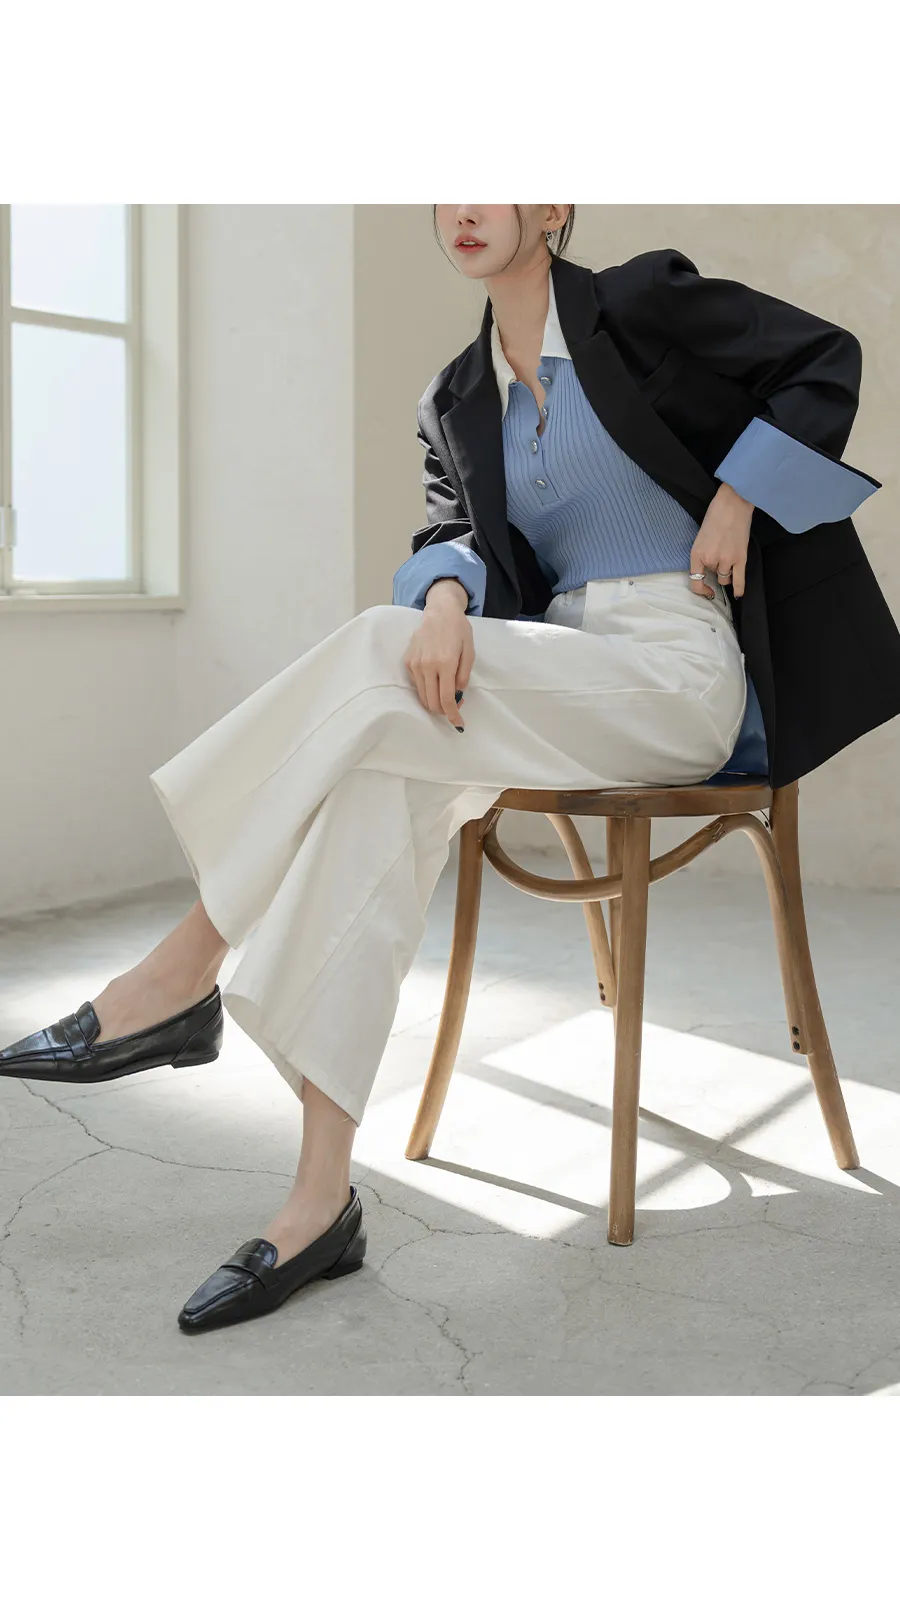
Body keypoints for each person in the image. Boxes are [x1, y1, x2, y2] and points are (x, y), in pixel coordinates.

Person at [0, 205, 888, 1335]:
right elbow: (451, 531)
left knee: (379, 657)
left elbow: (824, 358)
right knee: (380, 779)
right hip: (551, 669)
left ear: (551, 205)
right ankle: (319, 1203)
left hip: (677, 668)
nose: (463, 206)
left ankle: (178, 974)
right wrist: (449, 597)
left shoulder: (637, 302)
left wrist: (738, 494)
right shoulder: (455, 396)